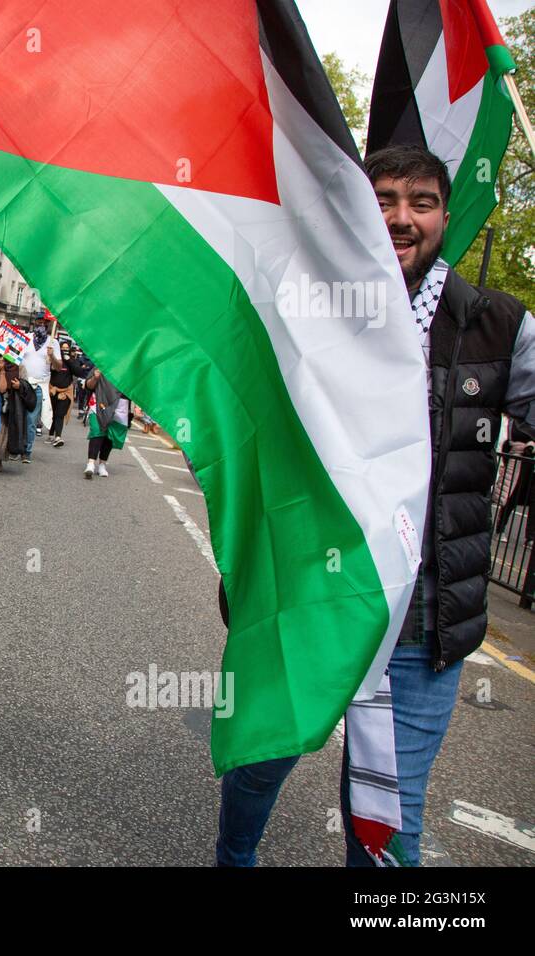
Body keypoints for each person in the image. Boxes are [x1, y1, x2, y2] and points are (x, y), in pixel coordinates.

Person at [216, 144, 535, 867]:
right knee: (261, 761)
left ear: (446, 218)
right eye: (383, 199)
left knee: (387, 823)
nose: (400, 216)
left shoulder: (496, 324)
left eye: (420, 202)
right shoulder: (305, 304)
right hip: (309, 596)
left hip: (425, 619)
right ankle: (233, 859)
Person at [18, 322, 59, 461]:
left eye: (45, 323)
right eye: (39, 322)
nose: (41, 325)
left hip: (38, 387)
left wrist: (52, 355)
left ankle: (26, 451)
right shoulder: (25, 338)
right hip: (21, 384)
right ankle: (14, 447)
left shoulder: (53, 343)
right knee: (18, 417)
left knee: (31, 420)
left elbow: (59, 367)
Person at [46, 341, 76, 446]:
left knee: (59, 414)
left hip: (65, 392)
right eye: (62, 348)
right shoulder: (54, 360)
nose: (64, 350)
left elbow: (79, 372)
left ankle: (58, 436)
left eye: (66, 348)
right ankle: (51, 434)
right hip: (52, 390)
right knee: (53, 413)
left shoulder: (70, 361)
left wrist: (69, 361)